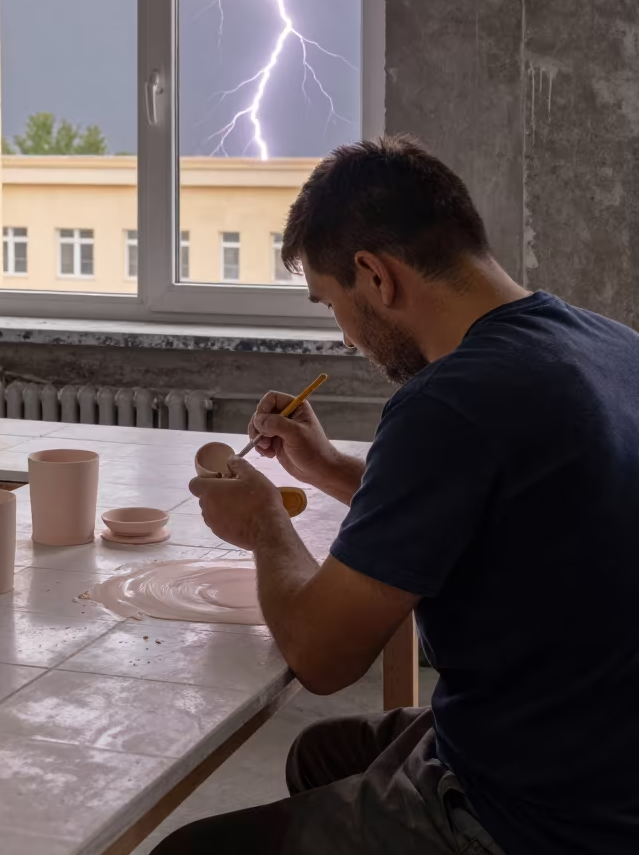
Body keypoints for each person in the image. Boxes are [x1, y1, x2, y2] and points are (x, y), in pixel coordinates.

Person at [153, 136, 639, 855]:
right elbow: (491, 512)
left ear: (375, 276)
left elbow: (322, 656)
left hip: (551, 812)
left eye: (332, 304)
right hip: (598, 742)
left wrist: (263, 522)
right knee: (319, 756)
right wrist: (326, 469)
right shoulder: (607, 344)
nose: (347, 338)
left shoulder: (449, 401)